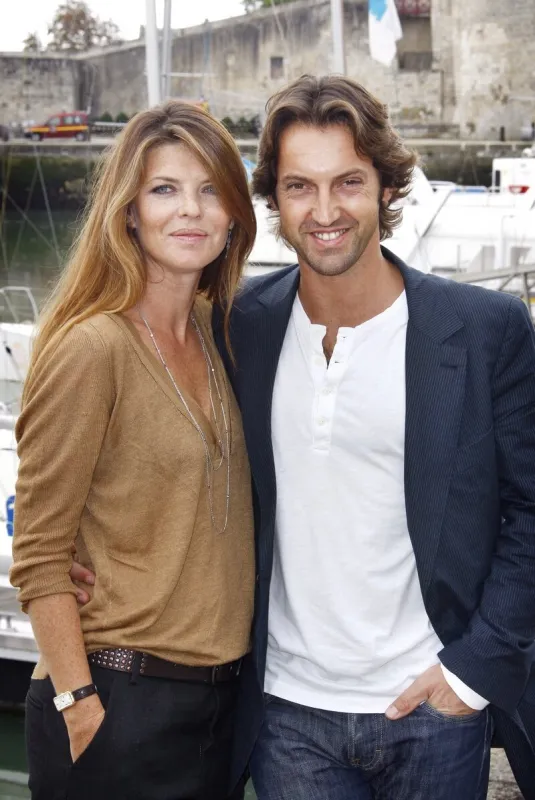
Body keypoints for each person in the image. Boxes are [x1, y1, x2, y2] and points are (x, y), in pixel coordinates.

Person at [72, 76, 535, 799]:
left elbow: (528, 513)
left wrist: (472, 671)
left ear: (386, 187)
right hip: (286, 717)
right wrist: (91, 556)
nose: (324, 212)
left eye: (348, 182)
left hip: (433, 708)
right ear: (271, 202)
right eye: (298, 187)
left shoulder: (484, 331)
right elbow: (153, 445)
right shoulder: (234, 325)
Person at [9, 100, 256, 800]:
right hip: (117, 697)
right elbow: (39, 551)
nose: (191, 211)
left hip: (219, 709)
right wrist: (78, 702)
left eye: (211, 190)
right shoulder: (93, 348)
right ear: (128, 210)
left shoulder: (226, 334)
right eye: (165, 189)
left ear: (234, 213)